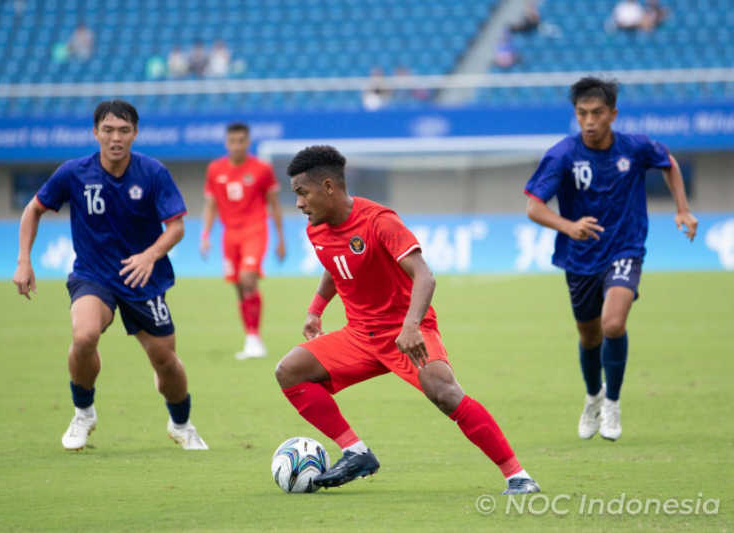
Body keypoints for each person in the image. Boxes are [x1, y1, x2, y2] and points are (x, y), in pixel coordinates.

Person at [274, 145, 540, 494]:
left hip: (406, 332)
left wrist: (411, 326)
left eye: (302, 193)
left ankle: (518, 476)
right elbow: (333, 266)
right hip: (358, 336)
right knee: (289, 371)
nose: (298, 204)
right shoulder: (317, 229)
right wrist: (315, 309)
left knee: (444, 393)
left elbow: (424, 275)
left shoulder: (379, 221)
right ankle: (356, 452)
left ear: (328, 187)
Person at [13, 100, 208, 451]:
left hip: (143, 280)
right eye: (108, 130)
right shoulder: (74, 173)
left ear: (135, 134)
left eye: (123, 130)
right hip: (94, 275)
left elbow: (176, 226)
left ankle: (181, 423)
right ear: (95, 132)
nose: (115, 138)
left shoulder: (153, 173)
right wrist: (24, 261)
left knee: (166, 362)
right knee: (84, 334)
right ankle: (83, 412)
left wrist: (150, 255)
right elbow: (33, 209)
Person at [524, 77, 698, 441]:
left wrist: (682, 209)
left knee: (613, 324)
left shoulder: (634, 148)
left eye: (597, 113)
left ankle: (613, 403)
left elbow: (668, 162)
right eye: (582, 113)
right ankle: (593, 397)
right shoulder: (563, 154)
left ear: (612, 114)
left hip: (625, 248)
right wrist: (569, 226)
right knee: (589, 338)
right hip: (580, 256)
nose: (589, 121)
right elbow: (534, 207)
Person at [200, 122, 286, 359]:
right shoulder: (215, 169)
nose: (237, 145)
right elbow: (211, 205)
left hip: (255, 230)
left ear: (248, 142)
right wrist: (205, 236)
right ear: (227, 143)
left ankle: (254, 339)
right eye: (233, 141)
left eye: (241, 141)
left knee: (248, 278)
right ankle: (251, 336)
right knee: (239, 286)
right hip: (230, 234)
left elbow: (275, 205)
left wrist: (281, 239)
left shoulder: (261, 169)